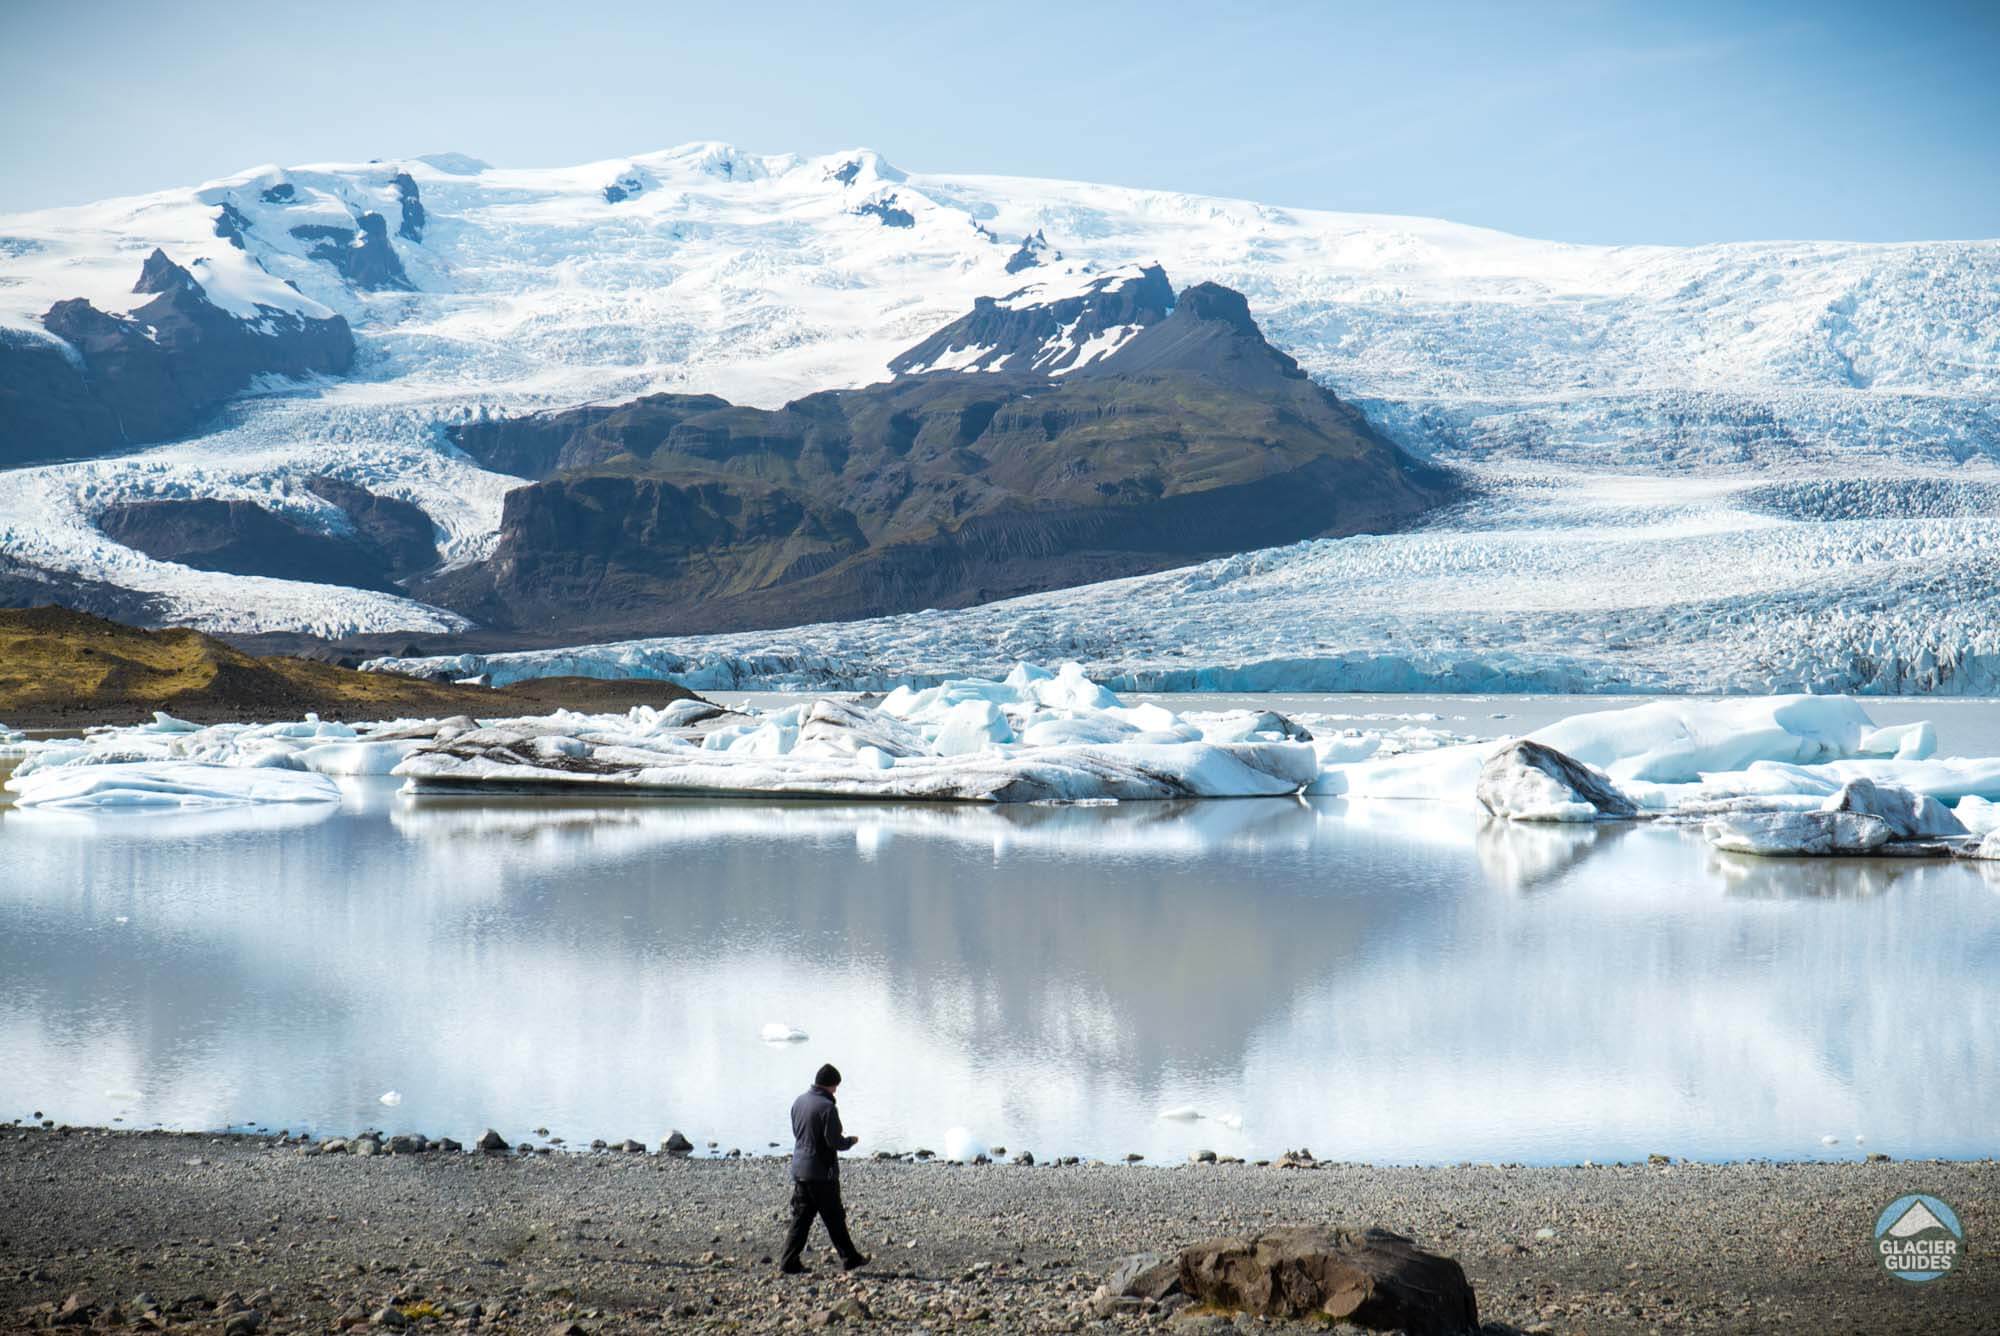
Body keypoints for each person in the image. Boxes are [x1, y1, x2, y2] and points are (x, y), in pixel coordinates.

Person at [779, 1062, 870, 1274]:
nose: (836, 1090)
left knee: (801, 1219)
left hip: (800, 1169)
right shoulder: (827, 1107)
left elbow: (798, 1133)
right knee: (834, 1218)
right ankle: (850, 1259)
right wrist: (850, 1141)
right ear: (829, 1085)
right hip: (821, 1173)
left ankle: (788, 1261)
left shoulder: (799, 1102)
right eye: (835, 1086)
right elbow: (833, 1141)